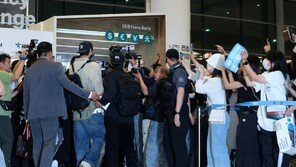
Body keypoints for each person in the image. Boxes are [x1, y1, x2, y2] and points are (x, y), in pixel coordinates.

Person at [23, 41, 99, 167]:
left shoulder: (30, 70)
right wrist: (89, 95)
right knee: (49, 143)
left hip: (33, 113)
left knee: (37, 144)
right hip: (50, 112)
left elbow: (26, 95)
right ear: (50, 53)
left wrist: (26, 115)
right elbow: (68, 85)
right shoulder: (56, 66)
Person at [241, 50, 290, 166]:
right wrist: (244, 71)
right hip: (266, 123)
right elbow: (250, 83)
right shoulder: (267, 75)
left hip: (278, 121)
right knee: (266, 155)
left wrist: (245, 61)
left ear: (274, 61)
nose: (265, 61)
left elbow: (254, 77)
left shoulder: (276, 74)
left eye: (268, 59)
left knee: (277, 155)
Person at [67, 41, 105, 167]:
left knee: (80, 148)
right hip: (91, 109)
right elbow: (98, 91)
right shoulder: (94, 65)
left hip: (76, 112)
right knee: (100, 136)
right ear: (91, 51)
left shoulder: (72, 66)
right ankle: (89, 161)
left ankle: (84, 162)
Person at [221, 55, 261, 167]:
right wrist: (229, 73)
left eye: (242, 65)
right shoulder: (256, 79)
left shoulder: (246, 80)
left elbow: (228, 86)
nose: (241, 67)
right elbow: (234, 87)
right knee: (251, 145)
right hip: (253, 117)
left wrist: (223, 72)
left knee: (245, 145)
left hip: (247, 118)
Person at [100, 50, 138, 167]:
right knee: (129, 146)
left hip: (113, 116)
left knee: (113, 146)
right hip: (128, 116)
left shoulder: (109, 76)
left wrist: (101, 102)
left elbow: (109, 95)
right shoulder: (129, 76)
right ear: (123, 63)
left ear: (111, 62)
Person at [195, 53, 230, 167]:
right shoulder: (217, 80)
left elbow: (199, 89)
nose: (207, 67)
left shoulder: (214, 81)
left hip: (218, 117)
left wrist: (200, 75)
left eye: (209, 65)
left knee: (218, 150)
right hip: (217, 116)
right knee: (212, 149)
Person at [133, 66, 169, 167]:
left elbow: (146, 92)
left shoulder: (159, 83)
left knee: (151, 143)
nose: (154, 74)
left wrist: (140, 78)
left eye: (156, 72)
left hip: (157, 117)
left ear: (162, 74)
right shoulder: (169, 83)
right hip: (166, 117)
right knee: (161, 143)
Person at [163, 49, 192, 167]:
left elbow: (181, 92)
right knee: (168, 143)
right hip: (173, 111)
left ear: (168, 59)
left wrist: (177, 113)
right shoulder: (174, 71)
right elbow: (187, 95)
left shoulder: (179, 72)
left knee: (178, 145)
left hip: (177, 111)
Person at [0, 53, 25, 166]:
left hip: (4, 112)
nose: (10, 65)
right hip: (2, 113)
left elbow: (11, 94)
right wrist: (23, 60)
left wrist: (20, 89)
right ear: (1, 64)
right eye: (8, 63)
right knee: (8, 140)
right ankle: (4, 163)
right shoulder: (2, 73)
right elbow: (15, 76)